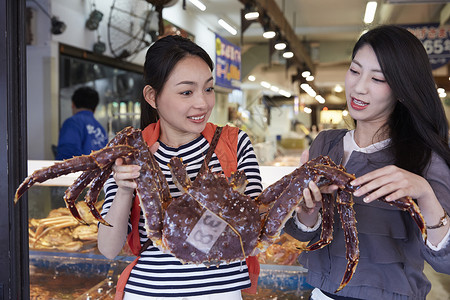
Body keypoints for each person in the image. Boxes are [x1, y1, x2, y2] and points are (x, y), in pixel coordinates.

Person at [284, 25, 450, 300]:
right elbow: (302, 238)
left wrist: (424, 192)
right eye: (355, 70)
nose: (359, 87)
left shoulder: (424, 157)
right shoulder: (326, 144)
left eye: (378, 79)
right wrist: (307, 210)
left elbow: (445, 263)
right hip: (321, 295)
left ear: (402, 88)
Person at [97, 35, 263, 300]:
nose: (203, 103)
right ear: (153, 96)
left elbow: (254, 233)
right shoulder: (132, 151)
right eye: (187, 92)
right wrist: (124, 189)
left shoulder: (234, 144)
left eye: (208, 89)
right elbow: (108, 248)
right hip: (148, 293)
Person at [55, 86, 107, 160]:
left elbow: (66, 158)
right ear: (95, 108)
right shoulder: (100, 129)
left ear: (73, 104)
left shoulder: (72, 123)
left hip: (80, 171)